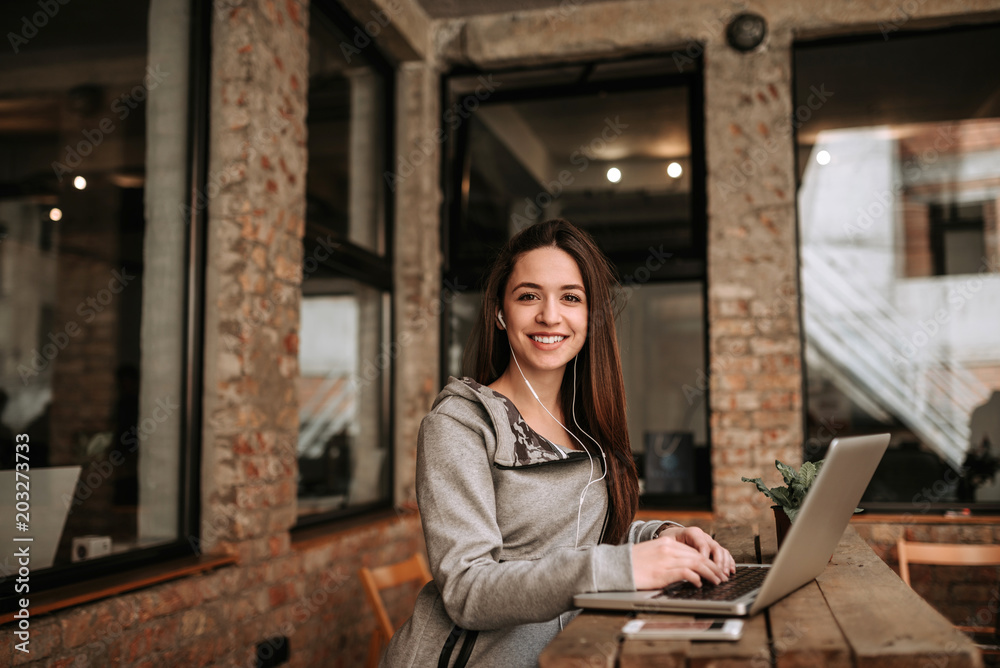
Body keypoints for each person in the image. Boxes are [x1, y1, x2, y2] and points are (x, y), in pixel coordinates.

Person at [381, 219, 735, 667]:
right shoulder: (459, 425)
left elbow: (574, 537)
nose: (550, 315)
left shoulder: (585, 424)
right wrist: (623, 569)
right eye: (529, 296)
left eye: (571, 297)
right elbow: (467, 590)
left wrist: (661, 537)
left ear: (590, 315)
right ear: (499, 312)